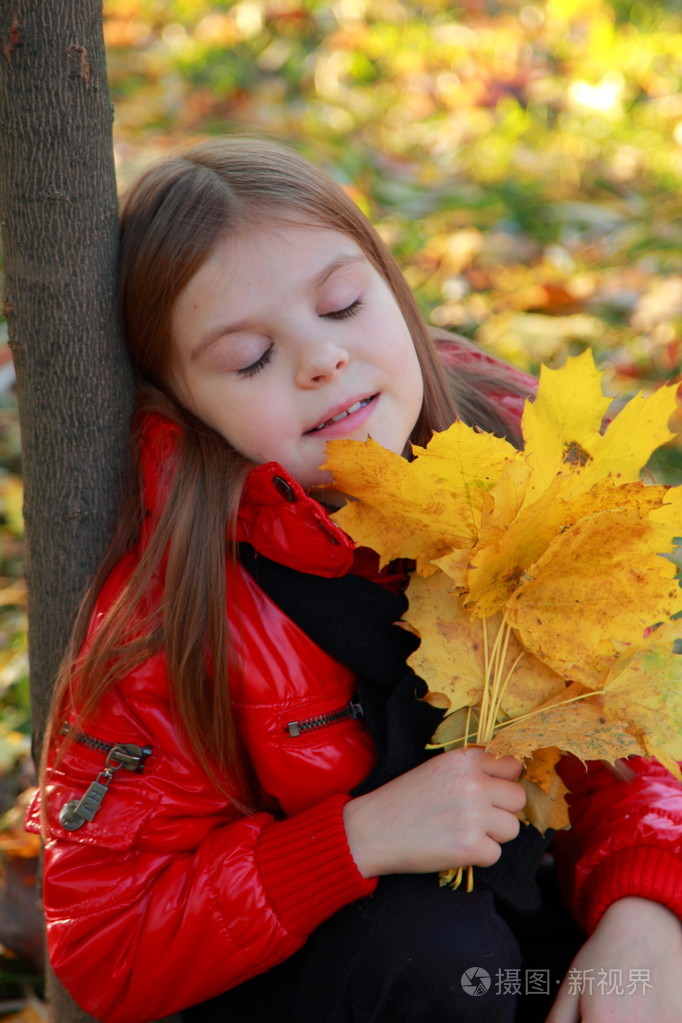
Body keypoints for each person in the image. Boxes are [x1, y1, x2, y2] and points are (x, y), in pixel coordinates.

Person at [27, 137, 682, 1023]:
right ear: (183, 402)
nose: (322, 360)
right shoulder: (173, 612)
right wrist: (351, 842)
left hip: (533, 949)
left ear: (389, 282)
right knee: (433, 958)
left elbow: (633, 730)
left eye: (341, 304)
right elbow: (105, 940)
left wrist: (646, 911)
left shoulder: (521, 457)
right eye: (250, 357)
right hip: (367, 982)